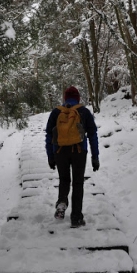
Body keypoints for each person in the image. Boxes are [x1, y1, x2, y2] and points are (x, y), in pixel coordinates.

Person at [45, 86, 99, 228]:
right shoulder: (84, 112)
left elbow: (49, 136)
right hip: (79, 151)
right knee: (78, 183)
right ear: (78, 98)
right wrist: (95, 156)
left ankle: (62, 202)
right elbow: (93, 135)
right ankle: (76, 218)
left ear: (64, 98)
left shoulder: (56, 112)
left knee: (64, 179)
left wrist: (50, 156)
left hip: (60, 151)